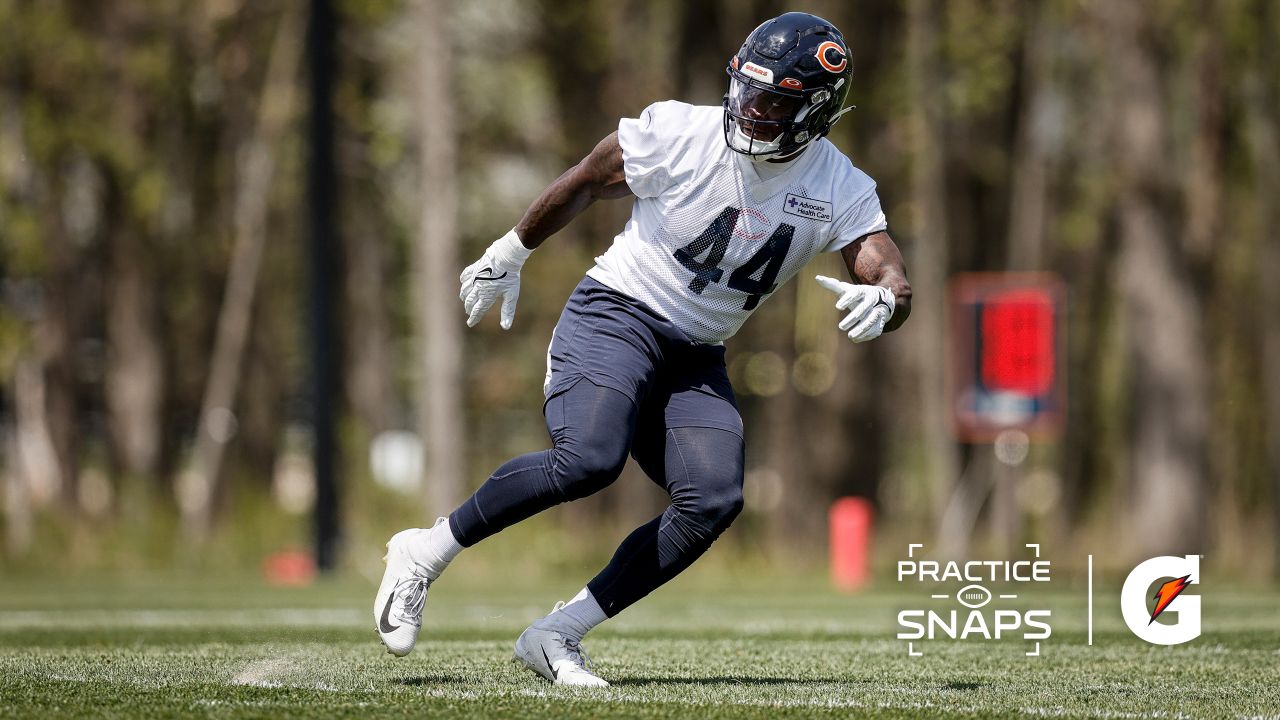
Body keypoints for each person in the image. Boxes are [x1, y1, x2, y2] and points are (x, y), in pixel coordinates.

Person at [374, 11, 911, 687]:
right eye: (745, 90)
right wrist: (511, 251)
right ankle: (423, 552)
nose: (750, 110)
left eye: (772, 102)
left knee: (713, 498)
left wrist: (890, 297)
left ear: (815, 113)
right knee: (588, 459)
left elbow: (884, 263)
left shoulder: (838, 186)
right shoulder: (681, 131)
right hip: (616, 315)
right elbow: (586, 179)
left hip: (697, 354)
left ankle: (556, 633)